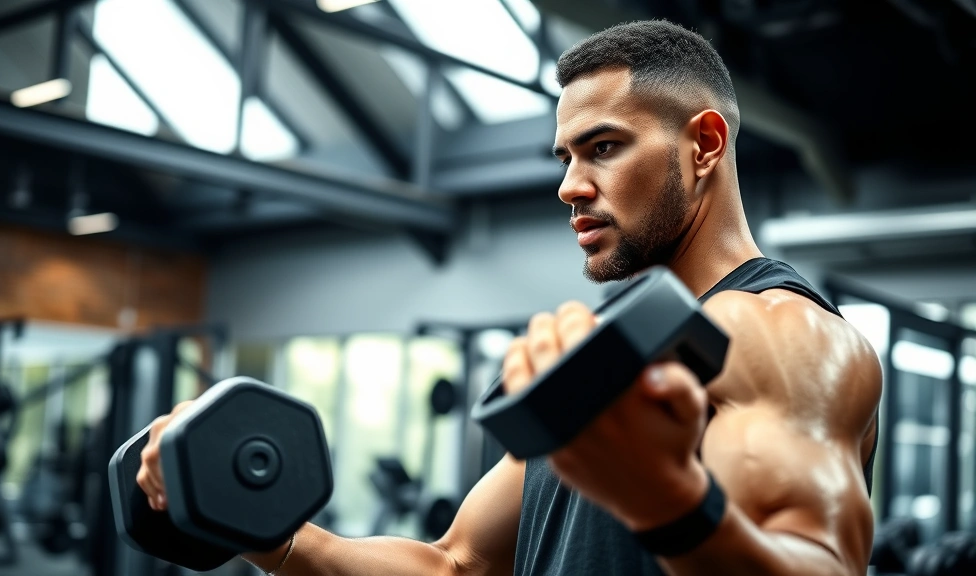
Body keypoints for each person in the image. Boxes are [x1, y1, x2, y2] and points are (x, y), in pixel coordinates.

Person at [137, 19, 881, 576]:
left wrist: (672, 506)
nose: (569, 185)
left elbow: (823, 563)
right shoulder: (605, 351)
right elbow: (456, 564)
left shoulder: (783, 335)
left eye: (604, 147)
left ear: (706, 144)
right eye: (565, 157)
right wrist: (269, 534)